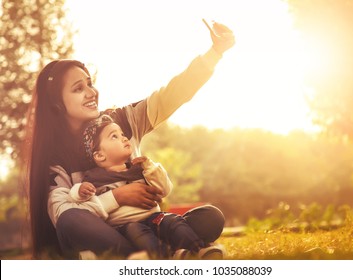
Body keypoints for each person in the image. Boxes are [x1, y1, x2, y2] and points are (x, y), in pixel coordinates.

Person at [25, 20, 235, 259]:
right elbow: (64, 214)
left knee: (209, 217)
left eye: (90, 84)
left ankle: (162, 251)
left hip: (149, 226)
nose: (91, 92)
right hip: (107, 236)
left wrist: (215, 53)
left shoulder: (123, 120)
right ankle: (141, 260)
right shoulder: (55, 158)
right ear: (57, 104)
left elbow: (173, 94)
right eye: (78, 88)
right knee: (69, 221)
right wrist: (116, 197)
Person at [69, 114, 223, 259]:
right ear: (100, 155)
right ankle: (165, 257)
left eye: (122, 134)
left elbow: (164, 189)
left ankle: (197, 249)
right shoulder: (95, 178)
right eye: (114, 136)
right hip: (125, 227)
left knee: (173, 221)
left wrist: (150, 167)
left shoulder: (139, 169)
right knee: (138, 231)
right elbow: (80, 204)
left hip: (154, 217)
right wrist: (79, 191)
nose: (123, 138)